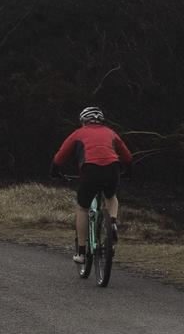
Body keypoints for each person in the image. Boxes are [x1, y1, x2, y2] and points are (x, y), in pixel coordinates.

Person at [51, 106, 132, 269]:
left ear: (83, 121)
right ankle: (113, 223)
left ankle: (81, 252)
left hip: (90, 170)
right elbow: (127, 156)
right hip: (112, 169)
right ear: (101, 121)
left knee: (82, 208)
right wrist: (128, 170)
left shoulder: (79, 133)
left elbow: (60, 155)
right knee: (111, 196)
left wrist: (55, 171)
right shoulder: (111, 133)